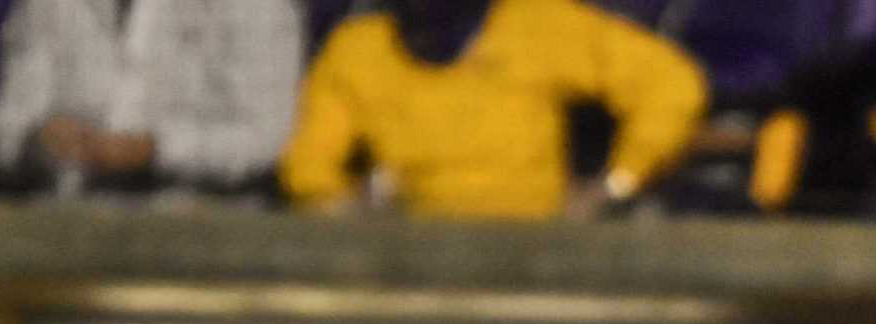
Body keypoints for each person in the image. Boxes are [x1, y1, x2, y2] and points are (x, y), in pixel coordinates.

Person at [280, 0, 706, 219]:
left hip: (533, 246)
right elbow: (309, 165)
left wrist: (617, 183)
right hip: (408, 246)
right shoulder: (362, 47)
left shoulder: (533, 24)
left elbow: (670, 84)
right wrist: (339, 206)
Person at [0, 0, 304, 198]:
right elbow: (5, 124)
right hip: (71, 226)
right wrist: (37, 141)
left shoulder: (258, 6)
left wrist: (153, 149)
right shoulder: (47, 4)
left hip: (204, 233)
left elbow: (266, 138)